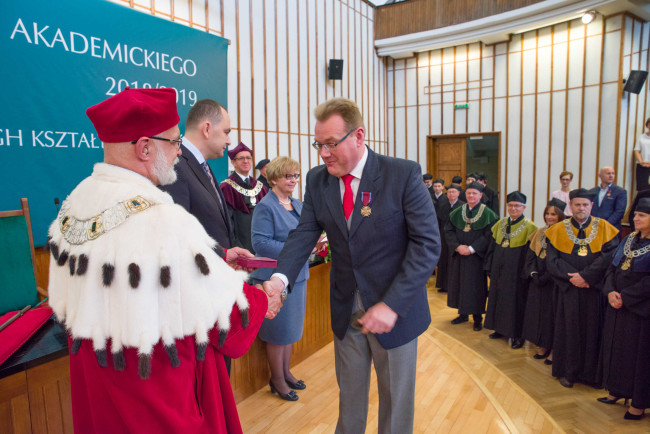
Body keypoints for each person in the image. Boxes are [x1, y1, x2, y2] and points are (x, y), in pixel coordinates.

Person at [45, 87, 279, 433]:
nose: (178, 152)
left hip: (99, 382)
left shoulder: (73, 205)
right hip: (154, 392)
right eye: (173, 142)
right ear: (144, 147)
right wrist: (265, 296)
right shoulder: (160, 218)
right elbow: (225, 312)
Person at [263, 98, 440, 433]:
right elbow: (304, 233)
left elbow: (427, 244)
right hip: (346, 307)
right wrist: (279, 279)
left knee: (395, 407)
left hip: (395, 311)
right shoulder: (318, 180)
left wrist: (391, 305)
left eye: (332, 144)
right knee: (350, 399)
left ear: (359, 136)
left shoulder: (401, 174)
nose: (323, 154)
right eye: (319, 144)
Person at [161, 99, 256, 373]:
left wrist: (227, 253)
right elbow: (178, 233)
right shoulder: (178, 167)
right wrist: (220, 257)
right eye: (226, 131)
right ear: (206, 128)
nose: (229, 140)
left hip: (215, 287)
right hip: (197, 297)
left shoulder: (200, 165)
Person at [249, 157, 321, 402]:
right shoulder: (265, 206)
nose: (293, 180)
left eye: (296, 176)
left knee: (290, 331)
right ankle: (276, 380)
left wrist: (314, 243)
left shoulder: (299, 205)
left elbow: (305, 236)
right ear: (274, 178)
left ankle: (286, 372)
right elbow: (260, 244)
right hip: (271, 279)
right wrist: (298, 249)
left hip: (297, 276)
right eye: (288, 176)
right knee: (277, 333)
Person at [545, 188, 619, 388]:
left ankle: (593, 376)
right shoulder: (557, 229)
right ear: (570, 205)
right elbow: (552, 261)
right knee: (569, 331)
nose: (581, 208)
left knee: (594, 331)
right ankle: (569, 372)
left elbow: (609, 257)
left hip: (593, 290)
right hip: (568, 291)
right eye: (577, 204)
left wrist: (586, 277)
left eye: (585, 205)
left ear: (591, 206)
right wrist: (573, 278)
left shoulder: (604, 228)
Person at [598, 198, 650, 420]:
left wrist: (625, 297)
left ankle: (638, 404)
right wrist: (610, 291)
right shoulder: (628, 238)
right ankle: (616, 390)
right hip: (617, 304)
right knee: (617, 350)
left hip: (639, 309)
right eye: (635, 215)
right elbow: (612, 267)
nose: (635, 218)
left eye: (641, 216)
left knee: (638, 357)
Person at [484, 192, 538, 348]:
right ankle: (499, 329)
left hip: (516, 274)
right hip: (499, 271)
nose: (513, 209)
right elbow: (491, 248)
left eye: (517, 206)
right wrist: (489, 267)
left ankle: (517, 335)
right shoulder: (500, 224)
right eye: (510, 205)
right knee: (498, 298)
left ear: (524, 207)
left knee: (515, 303)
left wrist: (525, 273)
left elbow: (530, 254)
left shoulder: (530, 227)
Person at [445, 181, 499, 332]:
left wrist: (472, 248)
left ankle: (477, 318)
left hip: (476, 257)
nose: (471, 196)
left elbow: (489, 234)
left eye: (474, 193)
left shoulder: (488, 214)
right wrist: (457, 246)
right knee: (459, 284)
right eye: (468, 193)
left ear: (481, 195)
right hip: (459, 255)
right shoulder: (457, 212)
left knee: (475, 287)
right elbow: (448, 231)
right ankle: (462, 314)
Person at [522, 198, 567, 364]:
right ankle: (542, 344)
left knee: (552, 315)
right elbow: (531, 255)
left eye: (553, 214)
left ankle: (553, 348)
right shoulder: (540, 231)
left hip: (554, 281)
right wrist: (533, 273)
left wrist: (547, 276)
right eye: (547, 213)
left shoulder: (564, 233)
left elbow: (561, 260)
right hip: (538, 279)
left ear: (560, 215)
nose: (549, 217)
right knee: (538, 313)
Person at [220, 142, 268, 253]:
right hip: (240, 244)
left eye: (248, 158)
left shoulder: (261, 187)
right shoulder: (226, 187)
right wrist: (236, 246)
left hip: (262, 244)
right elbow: (227, 222)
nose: (245, 161)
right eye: (241, 158)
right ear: (233, 162)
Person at [435, 184, 465, 293]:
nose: (451, 194)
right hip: (443, 237)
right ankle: (443, 285)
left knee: (455, 260)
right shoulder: (443, 205)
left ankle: (455, 286)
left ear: (458, 193)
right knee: (444, 260)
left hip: (457, 238)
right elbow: (438, 222)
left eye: (453, 192)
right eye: (449, 192)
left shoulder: (463, 206)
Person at [634, 117, 650, 191]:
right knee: (642, 189)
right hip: (642, 166)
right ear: (647, 125)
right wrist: (641, 162)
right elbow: (637, 150)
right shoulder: (641, 137)